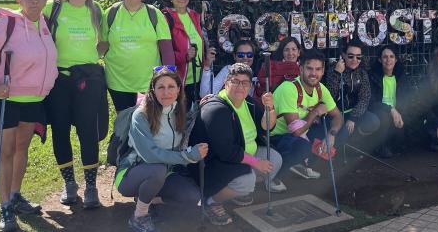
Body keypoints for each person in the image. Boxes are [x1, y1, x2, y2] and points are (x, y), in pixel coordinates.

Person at [0, 0, 58, 232]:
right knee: (5, 151)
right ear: (19, 1)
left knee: (21, 149)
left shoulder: (45, 24)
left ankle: (16, 195)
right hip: (3, 99)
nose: (34, 1)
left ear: (45, 1)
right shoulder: (4, 24)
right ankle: (5, 207)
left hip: (33, 100)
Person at [43, 0, 109, 209]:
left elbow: (104, 41)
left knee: (88, 131)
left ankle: (91, 187)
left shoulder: (96, 10)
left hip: (88, 79)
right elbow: (24, 18)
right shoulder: (53, 7)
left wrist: (95, 56)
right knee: (60, 130)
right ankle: (69, 184)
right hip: (58, 78)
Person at [190, 63, 285, 225]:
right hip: (212, 164)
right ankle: (211, 200)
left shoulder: (248, 101)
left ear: (249, 86)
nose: (240, 86)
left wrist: (270, 109)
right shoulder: (216, 109)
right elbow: (226, 151)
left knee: (275, 160)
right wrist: (256, 163)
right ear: (226, 83)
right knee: (246, 182)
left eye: (245, 83)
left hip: (240, 155)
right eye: (235, 81)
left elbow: (267, 127)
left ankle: (235, 189)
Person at [116, 66, 207, 232]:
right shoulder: (141, 115)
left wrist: (205, 104)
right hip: (131, 174)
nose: (166, 92)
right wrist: (187, 156)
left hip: (165, 172)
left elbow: (195, 114)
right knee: (156, 170)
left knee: (191, 196)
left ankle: (147, 198)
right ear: (153, 90)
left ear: (179, 89)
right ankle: (139, 216)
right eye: (161, 87)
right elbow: (150, 156)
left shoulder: (179, 111)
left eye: (171, 87)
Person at [102, 0, 174, 112]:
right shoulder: (110, 13)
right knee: (123, 124)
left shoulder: (154, 14)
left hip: (149, 82)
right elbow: (102, 45)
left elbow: (166, 49)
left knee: (149, 124)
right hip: (117, 82)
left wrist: (168, 78)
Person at [270, 49, 344, 182]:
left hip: (299, 133)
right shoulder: (289, 88)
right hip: (275, 136)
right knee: (302, 147)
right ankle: (273, 176)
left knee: (337, 131)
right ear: (301, 69)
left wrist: (331, 135)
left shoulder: (320, 88)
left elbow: (338, 116)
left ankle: (303, 164)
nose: (313, 74)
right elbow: (296, 131)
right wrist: (315, 112)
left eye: (318, 69)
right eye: (309, 69)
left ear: (322, 71)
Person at [161, 0, 216, 104]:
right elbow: (162, 52)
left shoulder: (194, 15)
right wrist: (184, 56)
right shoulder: (165, 18)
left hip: (197, 77)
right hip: (178, 78)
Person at [324, 40, 380, 143]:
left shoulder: (362, 73)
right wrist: (337, 74)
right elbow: (330, 97)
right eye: (350, 56)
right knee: (343, 133)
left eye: (358, 57)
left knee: (373, 121)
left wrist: (353, 118)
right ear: (343, 56)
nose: (355, 60)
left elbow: (365, 97)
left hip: (355, 113)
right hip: (337, 114)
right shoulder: (333, 70)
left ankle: (356, 141)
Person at [368, 45, 410, 158]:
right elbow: (372, 102)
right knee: (384, 116)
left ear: (396, 59)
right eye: (385, 57)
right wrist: (391, 109)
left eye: (392, 56)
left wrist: (400, 111)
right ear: (379, 59)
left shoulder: (401, 76)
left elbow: (406, 98)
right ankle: (380, 146)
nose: (388, 60)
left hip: (397, 112)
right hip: (380, 111)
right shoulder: (373, 76)